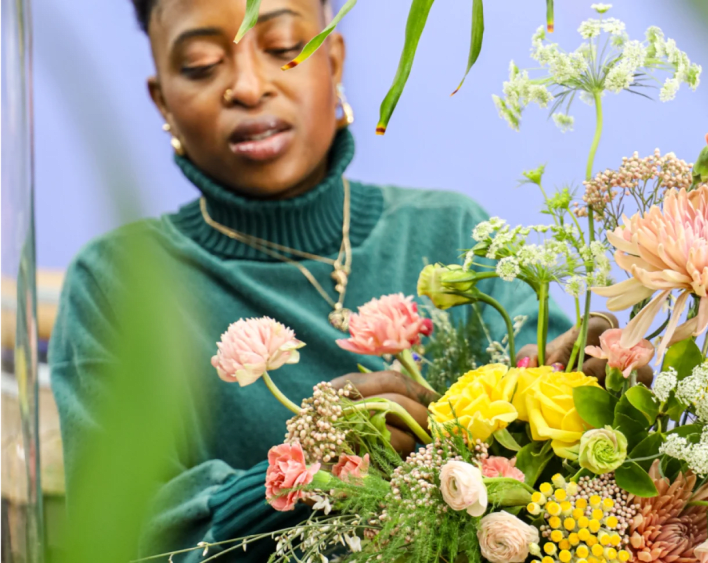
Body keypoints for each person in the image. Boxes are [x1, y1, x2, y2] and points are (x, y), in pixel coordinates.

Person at [49, 0, 642, 560]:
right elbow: (123, 531)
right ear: (163, 102)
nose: (250, 87)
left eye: (283, 46)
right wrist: (304, 466)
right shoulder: (121, 285)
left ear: (333, 63)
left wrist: (590, 395)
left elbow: (560, 406)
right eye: (201, 65)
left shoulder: (452, 233)